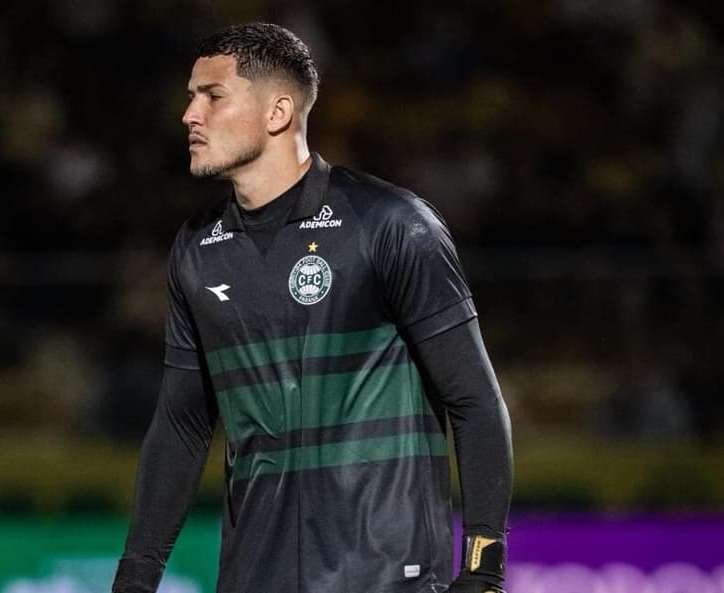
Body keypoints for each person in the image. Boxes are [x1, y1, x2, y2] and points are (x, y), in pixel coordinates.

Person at [112, 22, 513, 593]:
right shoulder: (197, 250)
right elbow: (182, 424)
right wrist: (135, 578)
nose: (189, 115)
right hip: (253, 579)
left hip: (383, 577)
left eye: (212, 96)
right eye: (191, 97)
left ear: (277, 112)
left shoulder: (391, 225)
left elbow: (475, 400)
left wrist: (482, 568)